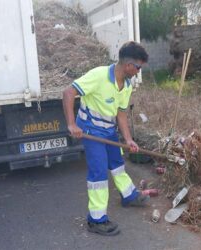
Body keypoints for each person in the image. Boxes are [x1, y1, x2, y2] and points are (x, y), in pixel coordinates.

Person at [62, 41, 149, 236]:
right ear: (128, 65)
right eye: (138, 67)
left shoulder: (126, 85)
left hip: (108, 130)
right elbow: (68, 92)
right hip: (91, 131)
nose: (138, 71)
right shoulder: (99, 75)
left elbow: (121, 114)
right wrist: (71, 124)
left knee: (117, 163)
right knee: (99, 173)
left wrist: (128, 139)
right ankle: (96, 220)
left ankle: (128, 195)